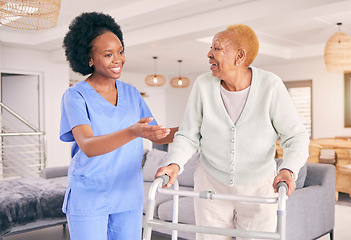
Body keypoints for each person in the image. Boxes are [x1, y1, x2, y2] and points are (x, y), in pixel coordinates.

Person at [155, 24, 309, 240]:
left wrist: (288, 170)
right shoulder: (203, 85)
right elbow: (189, 135)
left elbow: (296, 137)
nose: (209, 53)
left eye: (216, 48)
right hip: (211, 182)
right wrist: (175, 163)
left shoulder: (270, 86)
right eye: (211, 48)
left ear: (239, 56)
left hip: (259, 186)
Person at [60, 12, 177, 240]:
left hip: (128, 194)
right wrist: (134, 131)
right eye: (108, 54)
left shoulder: (132, 93)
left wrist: (195, 129)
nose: (118, 59)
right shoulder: (75, 96)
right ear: (89, 58)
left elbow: (157, 135)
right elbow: (88, 146)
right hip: (90, 195)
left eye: (121, 52)